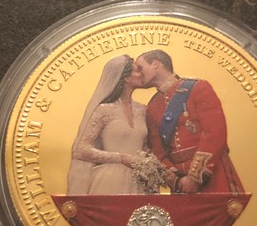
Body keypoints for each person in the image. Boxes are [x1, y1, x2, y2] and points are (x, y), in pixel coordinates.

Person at [135, 49, 244, 195]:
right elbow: (158, 151)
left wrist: (194, 177)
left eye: (140, 67)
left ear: (155, 64)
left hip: (213, 175)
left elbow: (214, 133)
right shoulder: (153, 106)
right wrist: (177, 180)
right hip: (181, 184)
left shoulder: (198, 88)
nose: (138, 73)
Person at [67, 54, 147, 194]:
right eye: (137, 71)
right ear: (126, 78)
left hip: (140, 181)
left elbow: (144, 146)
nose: (141, 74)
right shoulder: (104, 110)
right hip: (110, 181)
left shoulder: (142, 110)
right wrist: (121, 158)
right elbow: (80, 149)